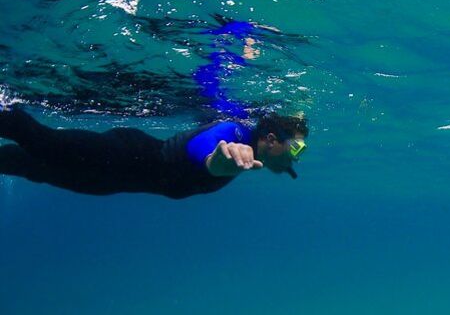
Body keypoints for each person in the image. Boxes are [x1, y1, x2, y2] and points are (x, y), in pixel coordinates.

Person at [0, 106, 308, 199]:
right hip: (120, 155)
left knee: (28, 166)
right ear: (271, 139)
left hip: (112, 179)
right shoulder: (235, 136)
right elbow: (206, 149)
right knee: (41, 142)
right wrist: (218, 161)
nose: (296, 157)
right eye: (297, 147)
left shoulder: (246, 147)